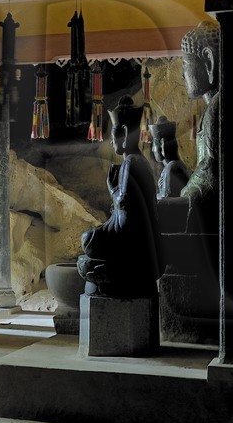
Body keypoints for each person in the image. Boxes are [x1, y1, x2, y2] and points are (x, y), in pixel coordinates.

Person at [77, 97, 161, 298]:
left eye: (113, 134)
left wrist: (111, 188)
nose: (111, 141)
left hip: (132, 241)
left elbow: (124, 211)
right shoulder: (133, 162)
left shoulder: (133, 162)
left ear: (123, 132)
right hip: (131, 237)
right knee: (89, 241)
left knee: (88, 240)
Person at [178, 18, 220, 235]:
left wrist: (183, 195)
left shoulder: (219, 108)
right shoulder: (215, 106)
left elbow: (211, 174)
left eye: (185, 64)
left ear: (208, 60)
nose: (182, 75)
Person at [152, 115, 189, 200]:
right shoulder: (176, 165)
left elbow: (166, 204)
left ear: (162, 144)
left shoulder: (172, 168)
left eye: (153, 144)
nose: (152, 149)